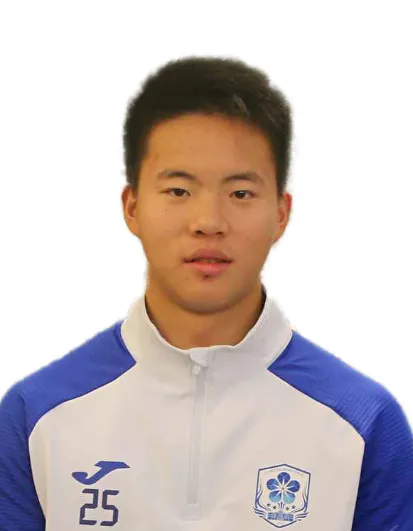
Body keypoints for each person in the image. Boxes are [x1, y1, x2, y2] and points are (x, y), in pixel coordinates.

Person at [0, 56, 412, 531]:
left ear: (281, 213)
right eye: (179, 191)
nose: (208, 222)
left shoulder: (364, 424)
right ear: (132, 206)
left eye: (240, 194)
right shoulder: (38, 416)